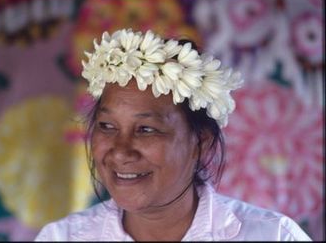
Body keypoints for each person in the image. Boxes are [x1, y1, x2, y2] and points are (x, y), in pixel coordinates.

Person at [35, 29, 312, 241]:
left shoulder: (273, 236)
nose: (120, 151)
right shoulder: (62, 238)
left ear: (200, 142)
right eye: (107, 126)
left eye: (146, 129)